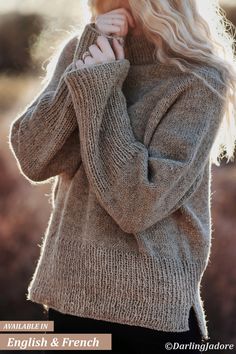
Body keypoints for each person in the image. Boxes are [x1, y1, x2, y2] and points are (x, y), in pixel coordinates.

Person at [9, 0, 236, 353]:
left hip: (150, 317)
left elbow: (136, 204)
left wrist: (101, 86)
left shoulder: (199, 79)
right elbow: (34, 158)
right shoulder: (84, 49)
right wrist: (83, 69)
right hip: (68, 300)